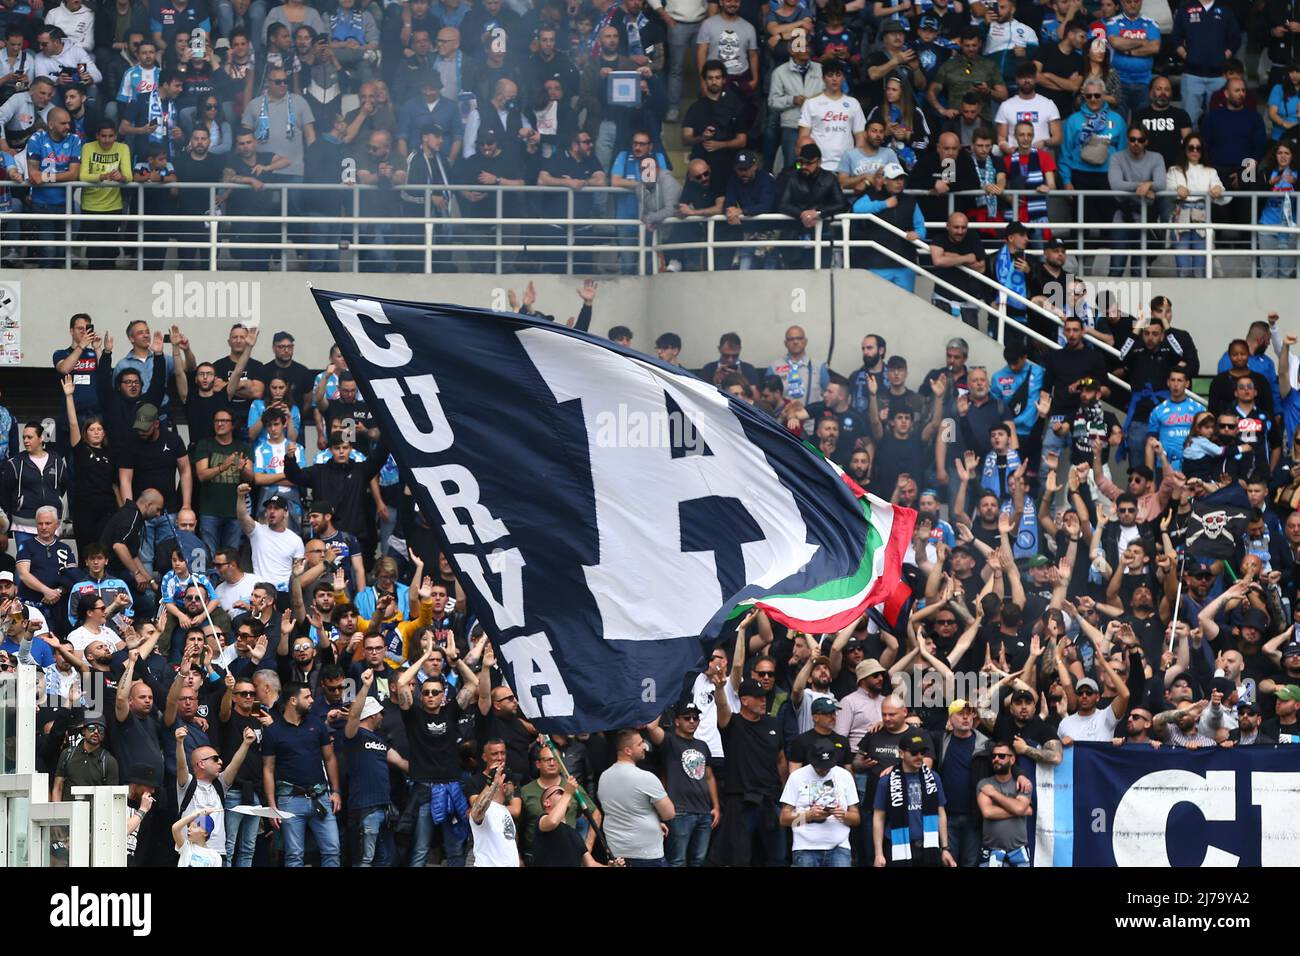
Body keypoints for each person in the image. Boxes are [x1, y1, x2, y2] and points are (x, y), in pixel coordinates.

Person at [261, 681, 342, 867]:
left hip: (320, 795)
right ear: (293, 701)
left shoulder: (317, 724)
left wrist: (336, 791)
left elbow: (330, 759)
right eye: (307, 697)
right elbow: (268, 769)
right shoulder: (273, 732)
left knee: (332, 849)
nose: (312, 700)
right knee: (294, 855)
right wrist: (272, 806)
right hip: (289, 798)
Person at [644, 701, 720, 867]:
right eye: (687, 718)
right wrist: (663, 701)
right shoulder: (670, 741)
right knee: (677, 861)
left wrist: (715, 806)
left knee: (699, 860)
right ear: (677, 721)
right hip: (679, 811)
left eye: (695, 718)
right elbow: (651, 728)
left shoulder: (702, 745)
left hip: (704, 811)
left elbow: (709, 777)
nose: (692, 721)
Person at [872, 730, 957, 867]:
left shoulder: (933, 778)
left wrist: (945, 848)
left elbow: (940, 813)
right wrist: (878, 853)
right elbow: (878, 818)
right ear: (901, 753)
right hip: (897, 848)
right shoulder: (886, 781)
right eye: (914, 752)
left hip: (929, 848)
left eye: (922, 752)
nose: (919, 756)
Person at [597, 728, 674, 866]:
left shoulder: (604, 777)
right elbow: (669, 813)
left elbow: (625, 810)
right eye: (639, 744)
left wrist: (655, 823)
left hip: (618, 854)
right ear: (627, 750)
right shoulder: (646, 778)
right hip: (647, 855)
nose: (645, 746)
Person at [778, 738, 859, 867]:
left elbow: (856, 819)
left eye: (827, 767)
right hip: (805, 847)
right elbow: (784, 819)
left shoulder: (845, 776)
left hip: (839, 847)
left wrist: (843, 815)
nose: (823, 770)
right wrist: (809, 815)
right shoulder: (797, 776)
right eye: (819, 766)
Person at [975, 740, 1033, 866]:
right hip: (991, 851)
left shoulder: (1023, 784)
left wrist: (994, 794)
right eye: (994, 756)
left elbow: (1019, 808)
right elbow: (988, 812)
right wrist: (1021, 810)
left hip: (1019, 850)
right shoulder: (984, 784)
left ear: (1012, 760)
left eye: (1001, 756)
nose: (996, 759)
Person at [468, 764, 521, 866]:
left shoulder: (504, 810)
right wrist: (493, 785)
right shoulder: (487, 809)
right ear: (504, 786)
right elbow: (476, 811)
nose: (515, 787)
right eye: (513, 783)